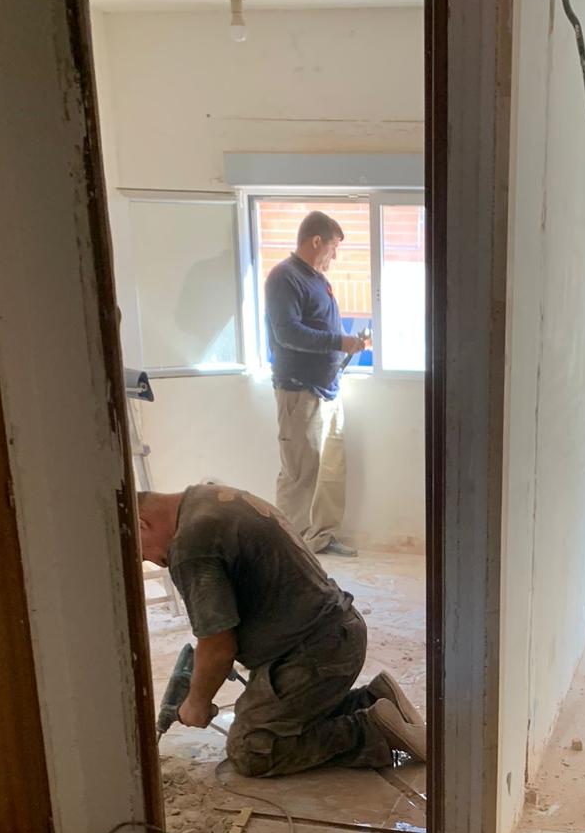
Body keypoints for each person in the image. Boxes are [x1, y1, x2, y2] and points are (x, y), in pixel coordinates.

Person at [137, 484, 425, 777]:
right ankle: (373, 699)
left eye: (142, 553)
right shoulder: (208, 497)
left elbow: (218, 647)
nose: (151, 561)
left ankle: (372, 730)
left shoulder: (191, 546)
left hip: (312, 653)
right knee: (280, 717)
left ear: (141, 524)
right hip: (338, 633)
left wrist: (196, 704)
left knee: (252, 750)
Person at [265, 209, 367, 558]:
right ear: (316, 241)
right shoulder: (284, 277)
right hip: (299, 392)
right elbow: (287, 332)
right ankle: (289, 551)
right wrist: (339, 341)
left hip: (327, 391)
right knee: (299, 475)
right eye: (333, 248)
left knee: (330, 471)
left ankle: (322, 537)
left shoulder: (316, 278)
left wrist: (346, 345)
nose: (334, 257)